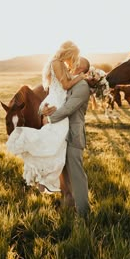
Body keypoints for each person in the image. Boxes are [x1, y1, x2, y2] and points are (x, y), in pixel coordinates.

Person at [6, 41, 85, 192]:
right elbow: (65, 86)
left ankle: (47, 178)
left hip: (59, 101)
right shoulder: (57, 62)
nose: (74, 59)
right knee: (54, 139)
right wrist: (81, 77)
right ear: (69, 53)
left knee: (58, 141)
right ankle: (43, 175)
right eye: (74, 56)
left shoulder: (60, 63)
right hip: (57, 103)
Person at [41, 56, 91, 217]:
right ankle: (69, 205)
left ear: (81, 69)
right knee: (64, 174)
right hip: (59, 136)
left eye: (76, 63)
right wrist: (44, 110)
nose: (71, 65)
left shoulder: (82, 86)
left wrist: (49, 118)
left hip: (74, 136)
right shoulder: (65, 84)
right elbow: (49, 101)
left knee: (77, 175)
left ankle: (84, 214)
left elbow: (68, 108)